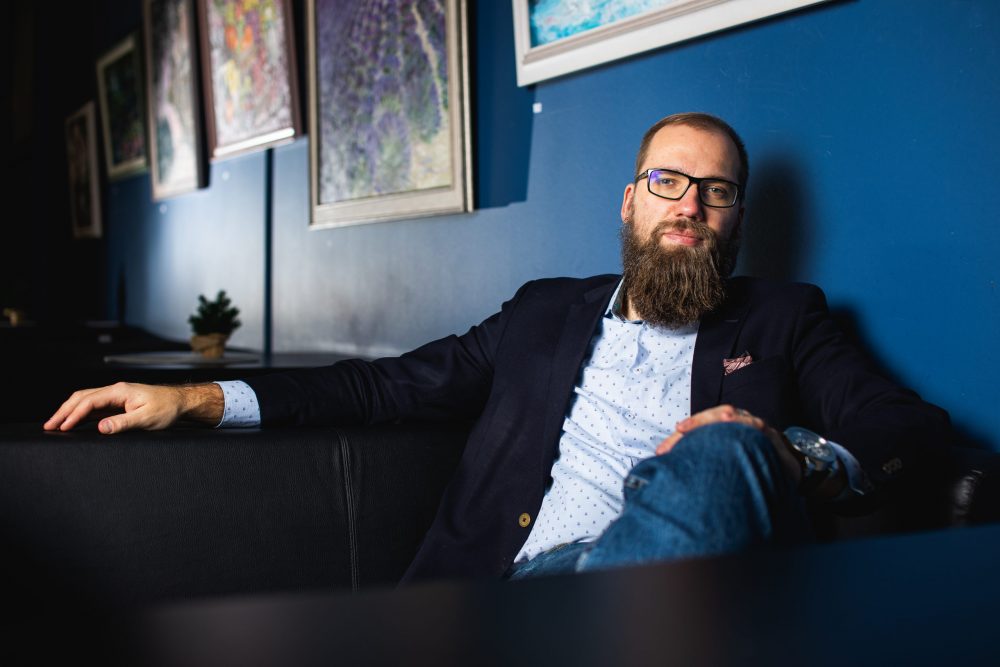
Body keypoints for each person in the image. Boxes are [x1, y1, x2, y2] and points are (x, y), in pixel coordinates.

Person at [45, 112, 950, 583]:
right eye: (668, 180)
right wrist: (199, 399)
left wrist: (788, 456)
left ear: (738, 219)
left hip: (695, 584)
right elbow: (386, 390)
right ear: (629, 200)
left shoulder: (786, 317)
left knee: (726, 449)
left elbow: (905, 426)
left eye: (717, 191)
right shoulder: (542, 315)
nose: (690, 205)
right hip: (514, 595)